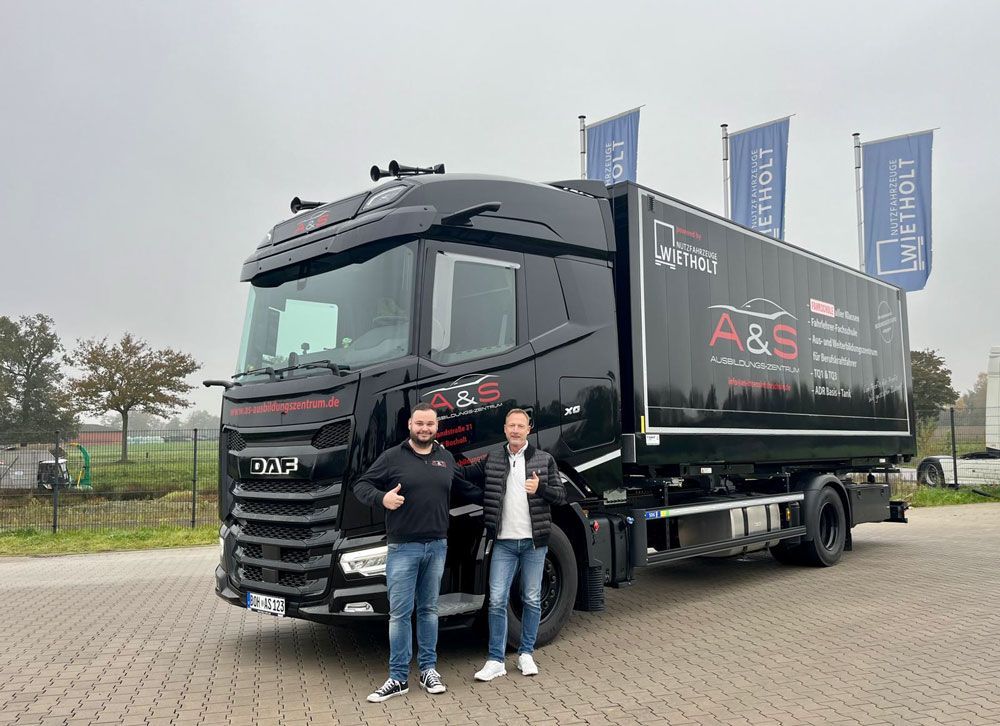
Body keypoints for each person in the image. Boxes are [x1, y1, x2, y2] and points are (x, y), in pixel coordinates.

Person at [351, 402, 482, 703]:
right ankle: (398, 678)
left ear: (437, 427)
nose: (425, 429)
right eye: (419, 423)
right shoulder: (392, 457)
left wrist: (499, 497)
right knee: (399, 614)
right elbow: (361, 485)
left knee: (428, 611)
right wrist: (382, 497)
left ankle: (428, 671)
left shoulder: (446, 458)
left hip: (437, 546)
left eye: (430, 424)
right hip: (403, 547)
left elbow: (465, 489)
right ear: (410, 424)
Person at [463, 408, 566, 681]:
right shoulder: (493, 458)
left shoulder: (544, 460)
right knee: (496, 600)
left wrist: (540, 489)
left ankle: (526, 654)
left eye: (521, 426)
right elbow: (463, 474)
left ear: (528, 429)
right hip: (504, 543)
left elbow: (561, 496)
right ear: (505, 429)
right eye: (511, 426)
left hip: (534, 542)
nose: (516, 430)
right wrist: (439, 460)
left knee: (531, 599)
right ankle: (495, 660)